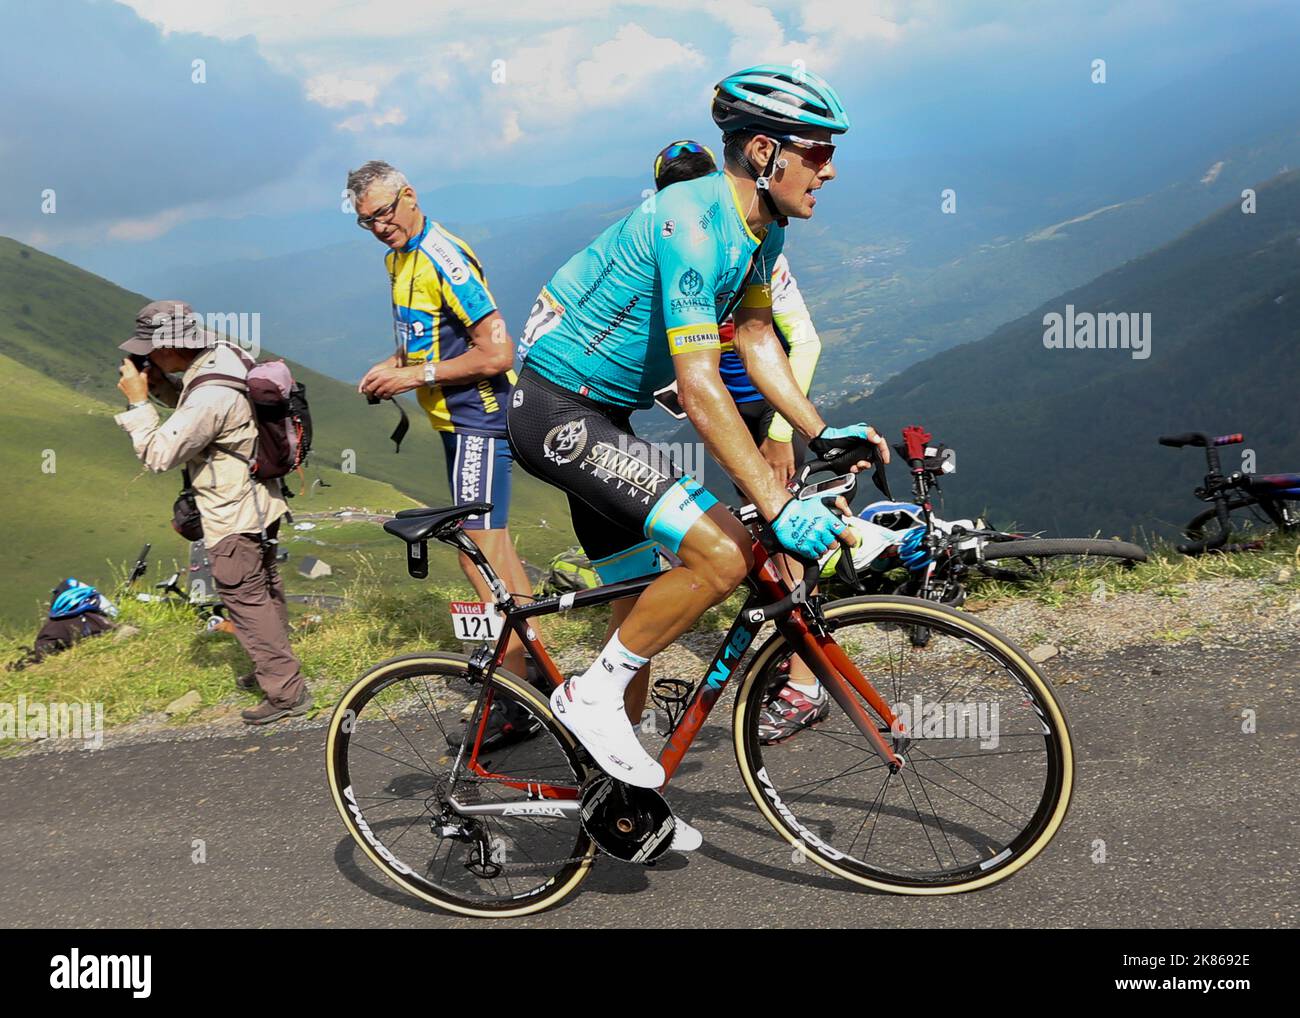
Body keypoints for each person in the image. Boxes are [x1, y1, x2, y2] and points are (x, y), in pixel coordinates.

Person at [508, 66, 889, 848]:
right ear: (762, 152)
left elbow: (754, 340)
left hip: (601, 412)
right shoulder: (688, 219)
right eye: (816, 152)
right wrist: (776, 501)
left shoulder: (763, 228)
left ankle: (618, 805)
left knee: (635, 614)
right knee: (722, 552)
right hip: (556, 410)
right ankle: (587, 701)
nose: (831, 168)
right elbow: (698, 378)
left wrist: (818, 431)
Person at [346, 160, 540, 749]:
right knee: (497, 554)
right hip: (454, 427)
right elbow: (424, 340)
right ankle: (536, 681)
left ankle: (513, 703)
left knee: (477, 559)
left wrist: (415, 376)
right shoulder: (396, 257)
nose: (379, 227)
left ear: (409, 196)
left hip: (479, 420)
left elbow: (499, 353)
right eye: (365, 222)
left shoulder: (443, 258)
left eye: (383, 213)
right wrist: (396, 365)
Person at [653, 140, 830, 743]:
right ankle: (793, 656)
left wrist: (784, 434)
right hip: (731, 419)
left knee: (791, 545)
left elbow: (804, 343)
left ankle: (807, 686)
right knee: (768, 545)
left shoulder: (757, 248)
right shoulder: (688, 246)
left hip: (765, 420)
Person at [115, 300, 310, 725]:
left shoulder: (210, 394)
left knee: (243, 594)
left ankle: (284, 691)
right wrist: (160, 385)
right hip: (264, 499)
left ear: (168, 346)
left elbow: (159, 452)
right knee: (264, 587)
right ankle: (275, 670)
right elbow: (194, 409)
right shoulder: (225, 355)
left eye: (150, 349)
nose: (146, 356)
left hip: (233, 510)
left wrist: (137, 403)